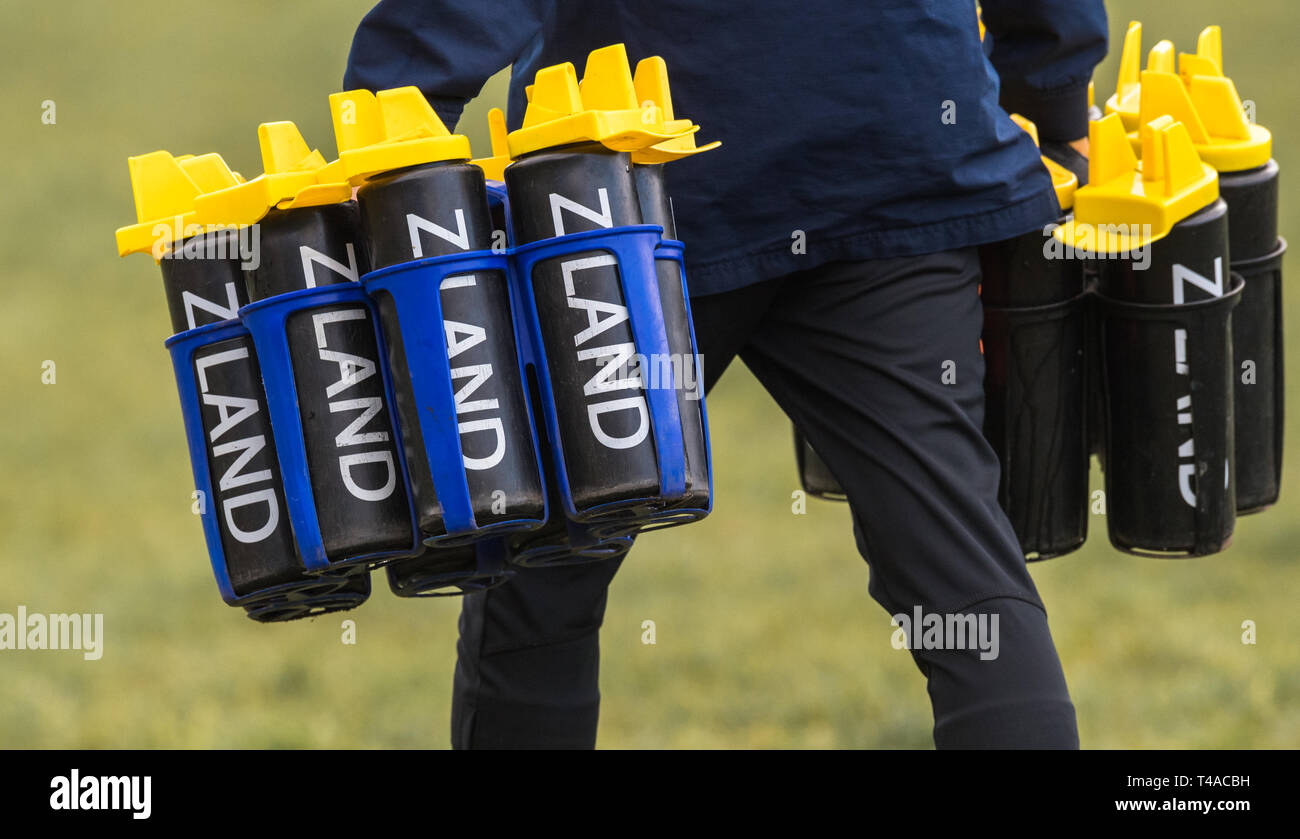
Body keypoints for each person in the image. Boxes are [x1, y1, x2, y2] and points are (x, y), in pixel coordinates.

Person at [344, 0, 1107, 749]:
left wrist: (395, 96)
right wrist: (1052, 84)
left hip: (634, 189)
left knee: (540, 577)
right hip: (892, 148)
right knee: (960, 576)